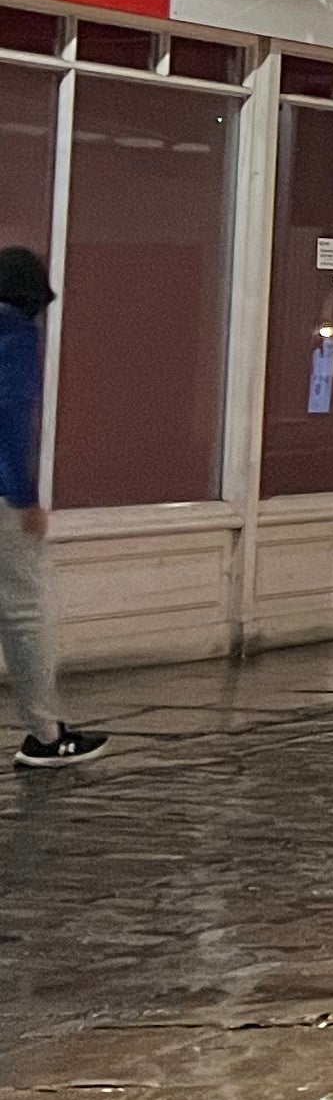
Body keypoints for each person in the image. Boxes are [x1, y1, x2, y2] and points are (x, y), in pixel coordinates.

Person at [0, 247, 105, 769]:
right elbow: (10, 418)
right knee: (25, 608)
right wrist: (24, 497)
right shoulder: (13, 334)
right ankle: (45, 734)